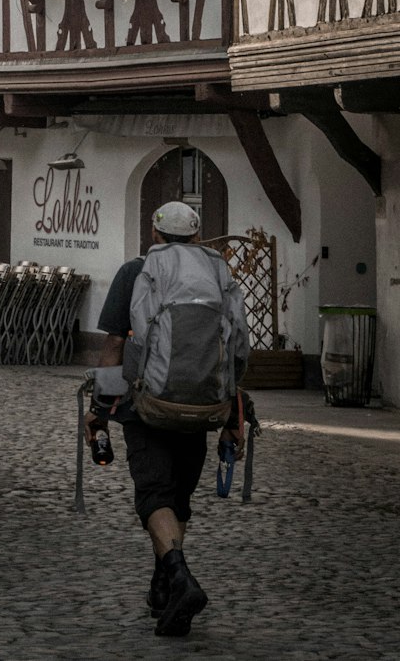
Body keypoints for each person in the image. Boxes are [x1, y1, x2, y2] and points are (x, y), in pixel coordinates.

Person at [85, 201, 247, 638]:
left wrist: (100, 411)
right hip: (203, 406)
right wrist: (236, 415)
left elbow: (115, 345)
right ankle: (163, 586)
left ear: (154, 235)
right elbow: (237, 351)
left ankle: (180, 578)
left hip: (146, 405)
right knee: (178, 497)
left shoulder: (135, 271)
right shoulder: (218, 273)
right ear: (197, 237)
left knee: (154, 493)